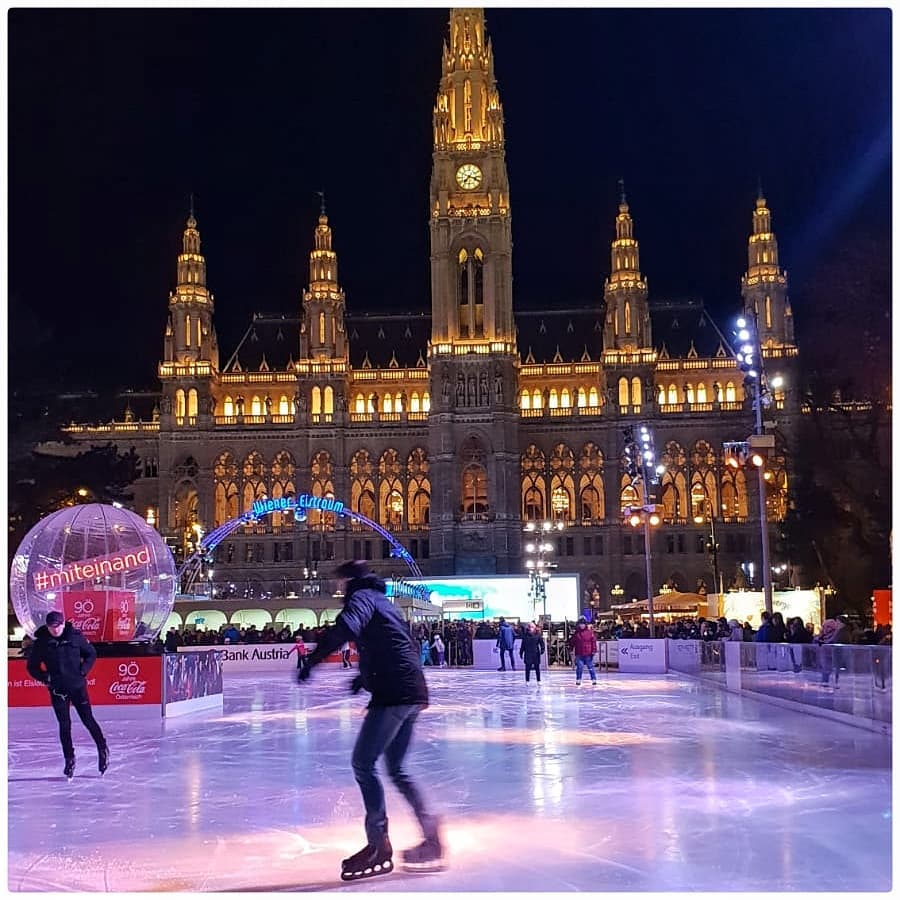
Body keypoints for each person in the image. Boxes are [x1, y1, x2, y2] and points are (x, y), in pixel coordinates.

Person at [298, 561, 443, 880]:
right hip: (412, 689)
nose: (338, 589)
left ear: (351, 580)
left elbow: (347, 627)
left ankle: (378, 844)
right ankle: (431, 832)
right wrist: (364, 678)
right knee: (396, 769)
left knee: (363, 763)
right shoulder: (384, 602)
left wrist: (313, 659)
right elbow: (394, 644)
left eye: (340, 583)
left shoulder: (361, 598)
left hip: (394, 692)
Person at [26, 611, 109, 779]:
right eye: (51, 627)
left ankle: (102, 749)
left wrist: (83, 671)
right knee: (64, 726)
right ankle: (69, 759)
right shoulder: (42, 642)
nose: (55, 630)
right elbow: (32, 667)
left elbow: (91, 654)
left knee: (88, 720)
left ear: (63, 624)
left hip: (77, 687)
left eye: (57, 627)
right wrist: (45, 678)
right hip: (57, 690)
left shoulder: (75, 637)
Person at [568, 617, 598, 686]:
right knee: (579, 667)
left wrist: (594, 650)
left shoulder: (590, 633)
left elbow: (593, 641)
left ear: (585, 625)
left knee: (590, 667)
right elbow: (573, 642)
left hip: (588, 653)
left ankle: (593, 679)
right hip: (579, 653)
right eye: (580, 624)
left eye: (583, 624)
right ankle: (578, 679)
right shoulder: (576, 633)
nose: (582, 625)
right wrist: (571, 648)